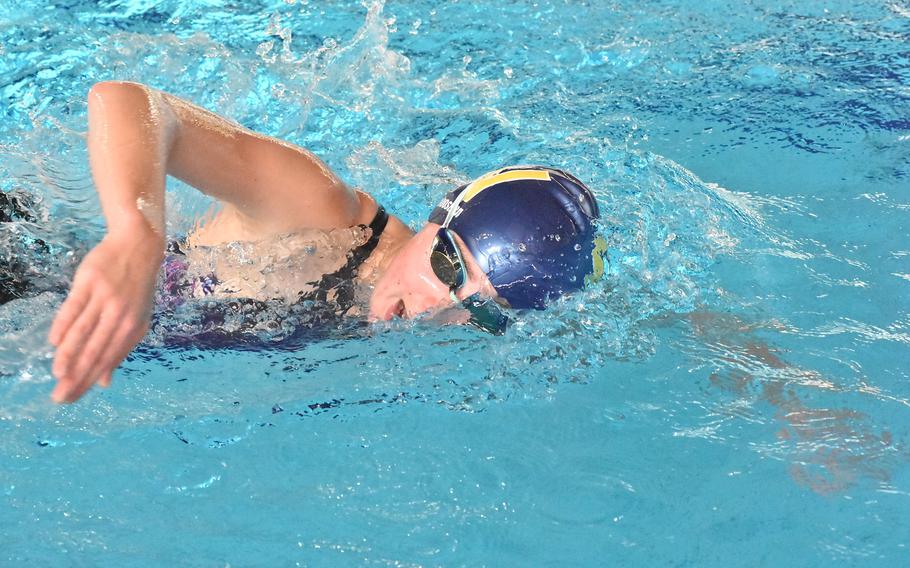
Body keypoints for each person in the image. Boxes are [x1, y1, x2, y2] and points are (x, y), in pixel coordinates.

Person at [46, 81, 602, 404]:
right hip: (29, 280)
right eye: (447, 265)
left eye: (483, 311)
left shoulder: (429, 321)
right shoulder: (320, 215)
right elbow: (129, 101)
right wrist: (136, 232)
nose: (438, 307)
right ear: (437, 220)